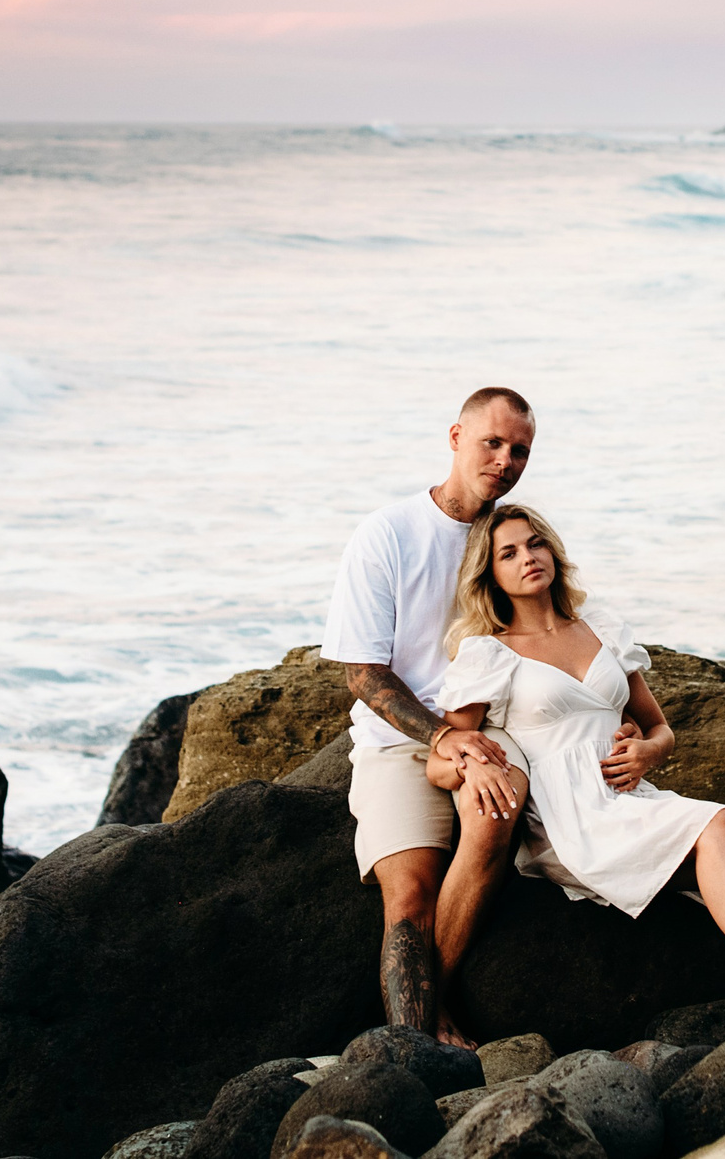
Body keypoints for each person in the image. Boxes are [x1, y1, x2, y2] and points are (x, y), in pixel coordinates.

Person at [426, 503, 725, 1045]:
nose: (528, 558)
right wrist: (469, 767)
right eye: (508, 553)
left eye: (534, 543)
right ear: (491, 575)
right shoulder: (491, 654)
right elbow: (442, 757)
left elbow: (660, 730)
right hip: (570, 816)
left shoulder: (597, 627)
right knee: (718, 822)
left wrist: (647, 754)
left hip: (627, 796)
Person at [320, 386, 541, 1046]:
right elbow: (361, 670)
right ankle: (413, 1047)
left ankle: (432, 1004)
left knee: (495, 816)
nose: (505, 459)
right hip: (401, 739)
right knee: (410, 893)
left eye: (520, 449)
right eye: (492, 442)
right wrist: (446, 735)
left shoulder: (509, 540)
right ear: (455, 436)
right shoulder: (389, 533)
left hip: (491, 727)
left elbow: (550, 630)